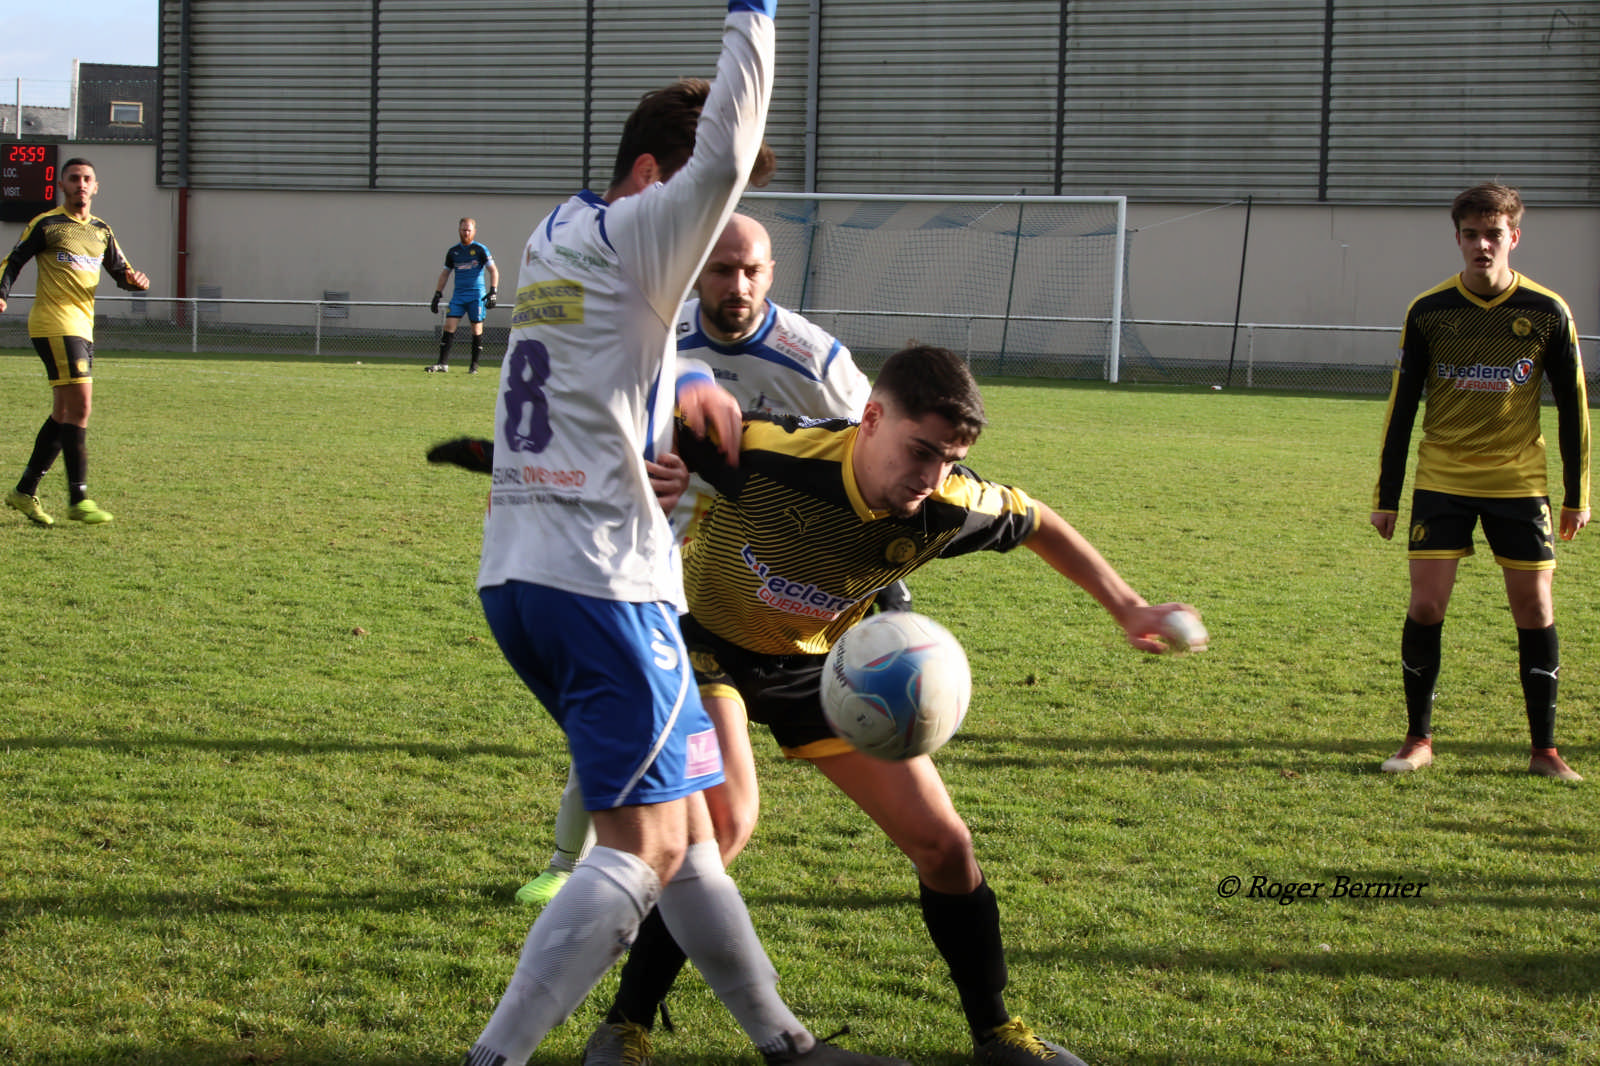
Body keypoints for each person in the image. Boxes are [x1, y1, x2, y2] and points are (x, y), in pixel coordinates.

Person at [464, 2, 909, 1064]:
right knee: (644, 850)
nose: (710, 230)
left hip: (524, 577)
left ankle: (787, 1042)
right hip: (604, 588)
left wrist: (687, 387)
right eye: (703, 208)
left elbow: (617, 356)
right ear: (651, 175)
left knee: (695, 837)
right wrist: (755, 14)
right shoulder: (641, 228)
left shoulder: (557, 232)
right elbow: (727, 147)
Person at [580, 344, 1205, 1066]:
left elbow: (1037, 521)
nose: (932, 476)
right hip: (704, 647)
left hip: (822, 671)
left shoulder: (947, 505)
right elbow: (631, 413)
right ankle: (625, 1025)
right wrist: (653, 462)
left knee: (945, 846)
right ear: (871, 418)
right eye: (920, 451)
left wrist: (1127, 606)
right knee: (724, 826)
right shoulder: (768, 451)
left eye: (950, 459)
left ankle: (996, 1034)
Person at [513, 210, 911, 907]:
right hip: (661, 548)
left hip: (761, 562)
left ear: (771, 274)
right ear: (698, 271)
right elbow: (602, 428)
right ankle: (565, 862)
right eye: (723, 270)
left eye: (752, 270)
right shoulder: (656, 337)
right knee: (619, 700)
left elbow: (874, 459)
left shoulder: (814, 360)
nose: (738, 285)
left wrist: (884, 578)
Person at [1370, 182, 1590, 782]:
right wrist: (1387, 496)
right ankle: (1418, 739)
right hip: (1442, 476)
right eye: (1471, 234)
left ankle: (1545, 751)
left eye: (1494, 234)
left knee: (1535, 607)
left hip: (1519, 481)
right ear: (1458, 239)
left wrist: (1577, 495)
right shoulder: (1429, 310)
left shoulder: (1547, 311)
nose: (1482, 245)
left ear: (1514, 237)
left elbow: (1574, 407)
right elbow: (1401, 405)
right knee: (1425, 604)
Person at [1, 157, 150, 527]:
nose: (80, 184)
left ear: (95, 187)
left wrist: (136, 282)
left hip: (82, 327)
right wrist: (1, 292)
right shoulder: (47, 224)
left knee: (63, 413)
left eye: (86, 179)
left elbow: (121, 272)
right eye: (73, 178)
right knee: (81, 406)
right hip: (54, 322)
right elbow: (14, 260)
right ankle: (78, 498)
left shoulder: (102, 231)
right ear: (62, 185)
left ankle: (24, 491)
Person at [427, 217, 498, 373]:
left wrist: (493, 291)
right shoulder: (453, 252)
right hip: (458, 296)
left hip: (476, 296)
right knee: (448, 326)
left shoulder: (480, 250)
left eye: (469, 230)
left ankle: (474, 366)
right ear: (459, 230)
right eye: (463, 230)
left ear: (474, 231)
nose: (466, 233)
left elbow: (493, 270)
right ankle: (442, 364)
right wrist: (437, 294)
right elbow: (445, 274)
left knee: (476, 329)